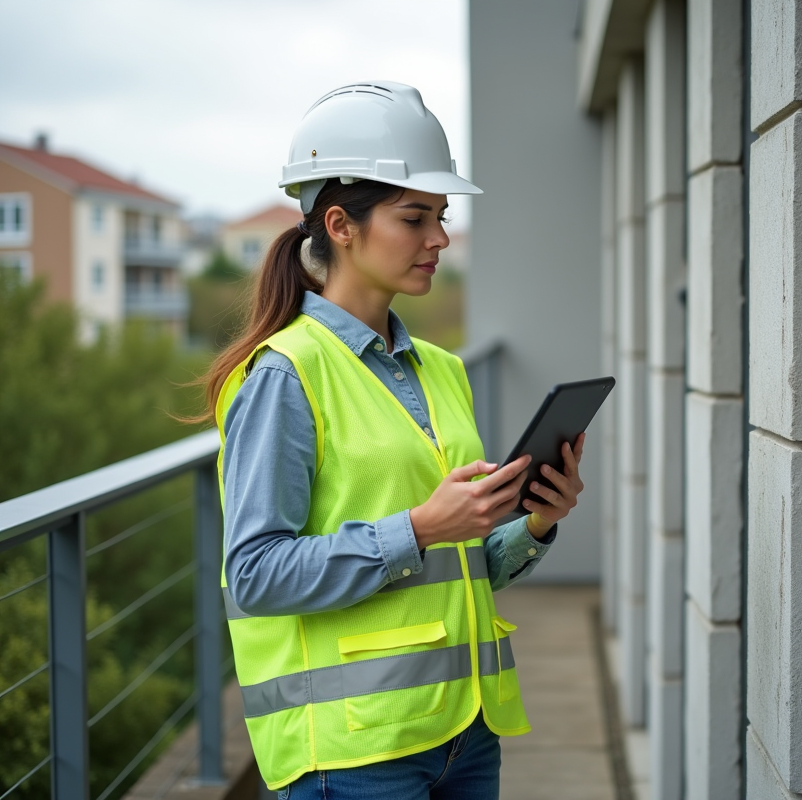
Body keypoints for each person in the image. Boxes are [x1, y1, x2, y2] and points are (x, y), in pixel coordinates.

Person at [200, 81, 587, 800]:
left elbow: (452, 573)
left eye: (441, 217)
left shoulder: (441, 371)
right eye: (416, 218)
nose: (439, 239)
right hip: (353, 755)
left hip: (464, 735)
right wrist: (416, 527)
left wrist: (534, 526)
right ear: (341, 225)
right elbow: (253, 575)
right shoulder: (287, 374)